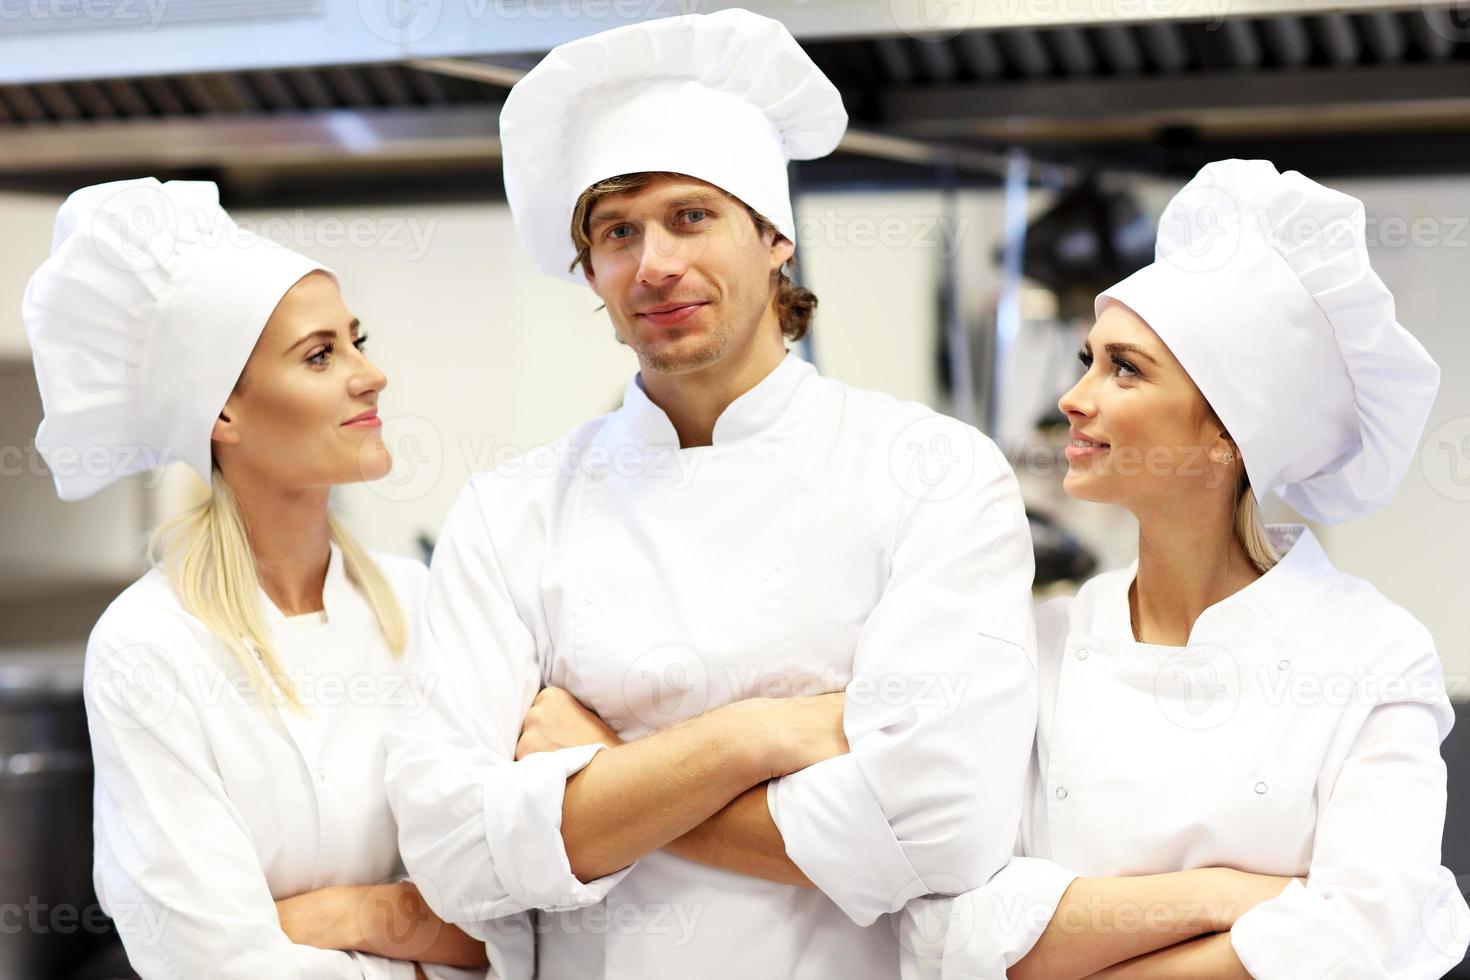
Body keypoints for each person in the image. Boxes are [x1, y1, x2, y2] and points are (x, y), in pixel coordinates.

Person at [381, 9, 1039, 979]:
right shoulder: (511, 510)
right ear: (591, 272)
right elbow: (450, 851)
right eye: (616, 232)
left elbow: (943, 829)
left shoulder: (933, 470)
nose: (654, 265)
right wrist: (764, 733)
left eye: (692, 216)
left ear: (775, 238)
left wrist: (605, 765)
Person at [901, 159, 1470, 979]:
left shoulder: (1372, 657)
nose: (1073, 398)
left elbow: (1364, 939)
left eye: (1124, 369)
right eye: (1087, 359)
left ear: (1227, 434)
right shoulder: (1038, 642)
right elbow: (943, 928)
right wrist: (1225, 895)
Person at [24, 177, 499, 979]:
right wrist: (404, 924)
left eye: (357, 338)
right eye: (321, 354)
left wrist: (352, 915)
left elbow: (517, 921)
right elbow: (207, 963)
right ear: (223, 414)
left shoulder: (422, 602)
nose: (370, 373)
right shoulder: (150, 646)